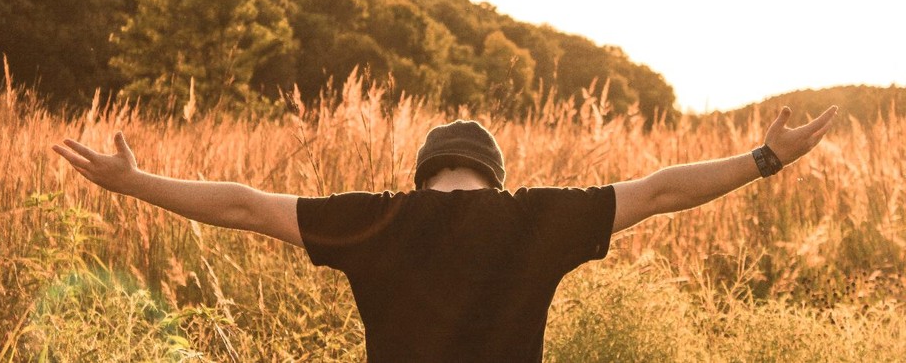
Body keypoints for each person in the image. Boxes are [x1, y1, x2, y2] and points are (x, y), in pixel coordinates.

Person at [52, 105, 837, 362]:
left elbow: (246, 205)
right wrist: (767, 156)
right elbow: (664, 188)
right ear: (492, 175)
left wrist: (134, 181)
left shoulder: (377, 218)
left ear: (423, 173)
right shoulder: (535, 217)